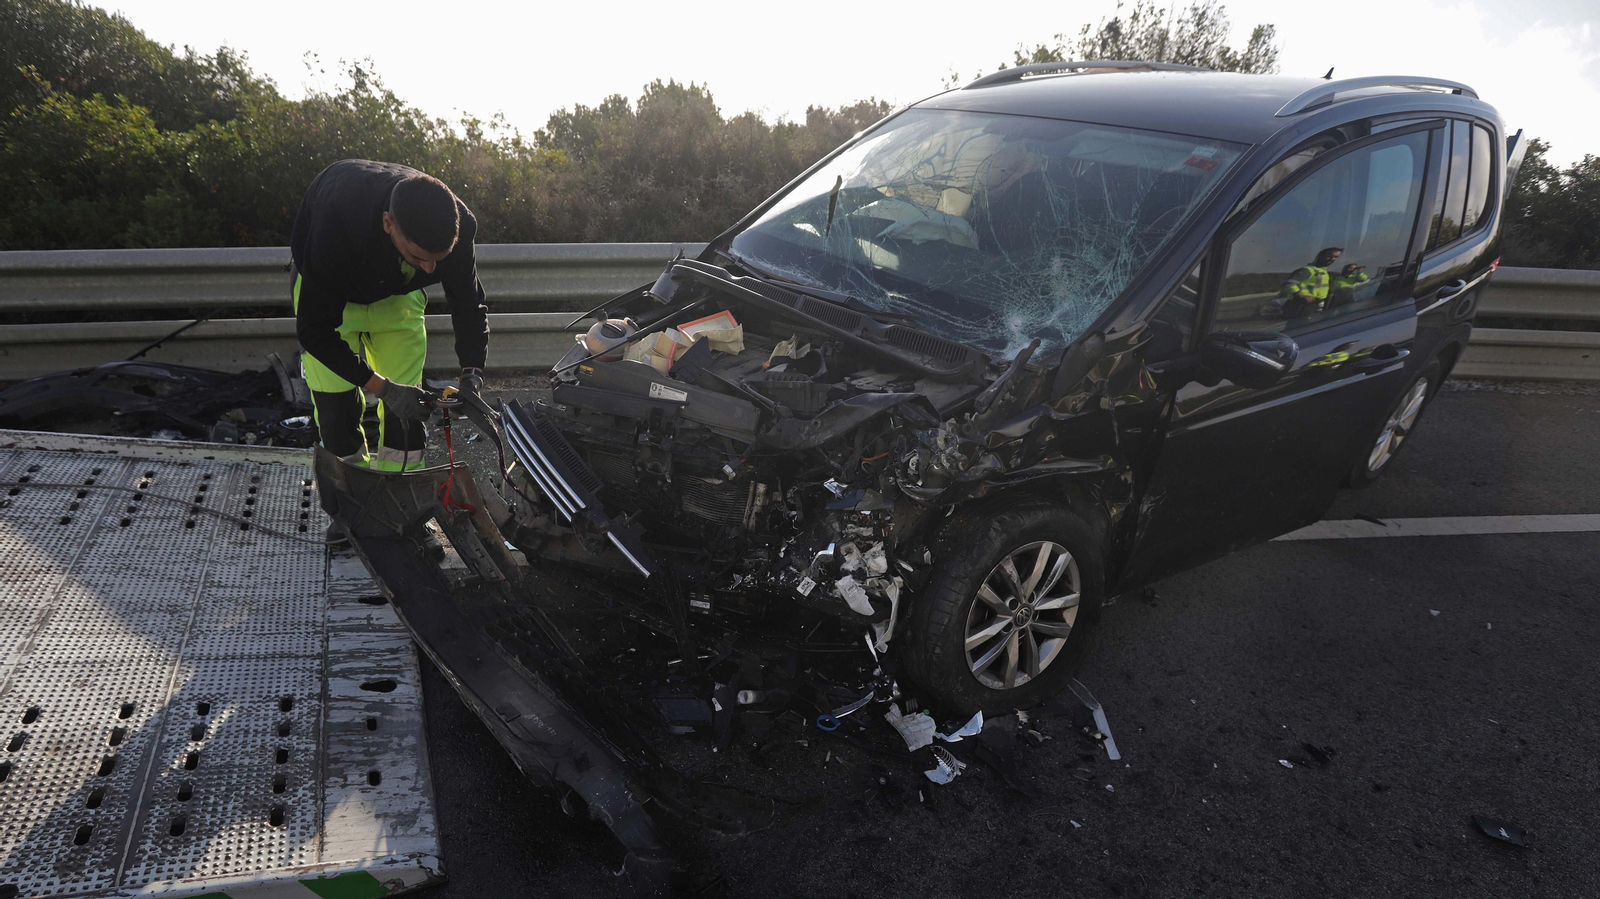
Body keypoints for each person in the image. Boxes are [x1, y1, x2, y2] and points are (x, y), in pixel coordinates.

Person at [290, 160, 489, 472]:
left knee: (407, 418)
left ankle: (404, 510)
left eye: (439, 260)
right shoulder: (337, 219)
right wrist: (383, 389)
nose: (429, 270)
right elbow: (315, 331)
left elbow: (467, 303)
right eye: (419, 257)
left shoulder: (459, 226)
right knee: (337, 414)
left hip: (397, 294)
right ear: (388, 223)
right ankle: (348, 508)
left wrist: (472, 373)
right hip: (329, 290)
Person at [1261, 247, 1342, 319]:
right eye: (1329, 256)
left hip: (1316, 305)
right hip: (1302, 306)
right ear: (1321, 256)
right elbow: (1288, 285)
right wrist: (1302, 295)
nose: (1332, 259)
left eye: (1336, 257)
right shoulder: (1307, 270)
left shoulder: (1323, 271)